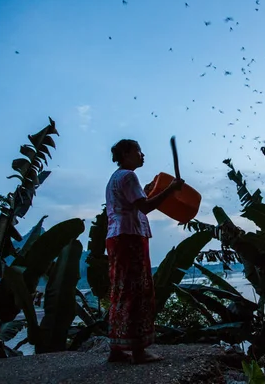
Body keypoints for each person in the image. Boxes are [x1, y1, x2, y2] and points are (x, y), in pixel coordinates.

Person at [105, 139, 184, 364]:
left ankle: (116, 348)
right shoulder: (129, 177)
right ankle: (139, 351)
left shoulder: (115, 178)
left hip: (116, 237)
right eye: (139, 151)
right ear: (127, 153)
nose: (143, 155)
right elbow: (146, 207)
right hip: (130, 237)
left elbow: (137, 201)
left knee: (121, 290)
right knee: (137, 291)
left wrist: (150, 191)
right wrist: (170, 189)